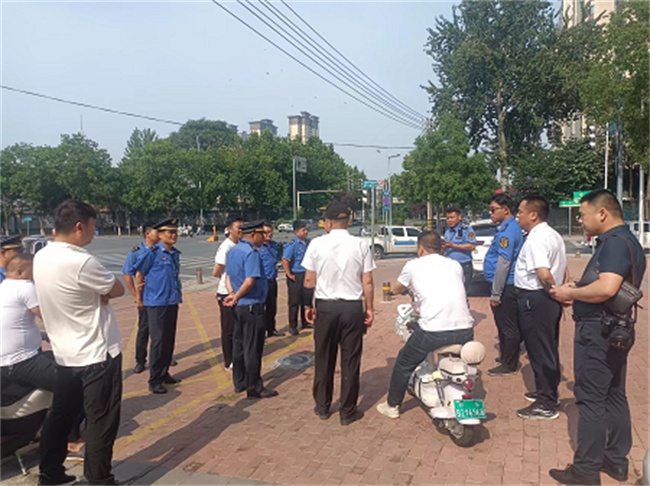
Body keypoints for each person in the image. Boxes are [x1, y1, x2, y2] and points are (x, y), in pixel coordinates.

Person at [549, 190, 646, 485]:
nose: (580, 220)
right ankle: (615, 460)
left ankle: (586, 470)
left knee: (591, 399)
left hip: (598, 332)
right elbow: (608, 285)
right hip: (614, 328)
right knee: (614, 394)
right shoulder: (625, 241)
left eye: (582, 214)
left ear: (602, 213)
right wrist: (581, 288)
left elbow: (606, 288)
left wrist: (570, 292)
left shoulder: (615, 243)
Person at [34, 199, 124, 486]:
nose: (94, 233)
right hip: (96, 354)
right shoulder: (82, 261)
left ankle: (49, 472)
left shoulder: (42, 256)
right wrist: (101, 294)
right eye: (93, 226)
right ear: (78, 227)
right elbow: (117, 289)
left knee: (61, 415)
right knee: (100, 420)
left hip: (64, 354)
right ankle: (99, 479)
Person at [376, 230, 474, 420]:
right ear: (441, 248)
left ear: (420, 249)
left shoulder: (413, 265)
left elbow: (398, 287)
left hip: (433, 331)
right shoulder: (455, 265)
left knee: (404, 362)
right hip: (465, 329)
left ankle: (392, 405)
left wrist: (396, 291)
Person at [302, 201, 375, 426]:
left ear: (329, 222)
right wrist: (369, 308)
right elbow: (367, 281)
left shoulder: (316, 244)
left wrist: (308, 306)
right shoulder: (361, 244)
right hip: (352, 308)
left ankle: (323, 406)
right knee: (350, 360)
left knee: (324, 356)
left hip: (326, 307)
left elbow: (309, 280)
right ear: (347, 221)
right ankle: (347, 411)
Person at [513, 195, 566, 420]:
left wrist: (555, 291)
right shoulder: (553, 235)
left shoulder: (536, 238)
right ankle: (547, 391)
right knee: (547, 347)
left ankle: (546, 402)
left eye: (520, 211)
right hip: (545, 300)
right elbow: (561, 268)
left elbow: (544, 274)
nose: (517, 215)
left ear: (533, 215)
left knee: (539, 350)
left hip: (536, 298)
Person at [224, 220, 278, 399]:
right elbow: (250, 280)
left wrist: (233, 294)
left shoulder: (234, 250)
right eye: (262, 234)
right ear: (253, 235)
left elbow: (229, 276)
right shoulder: (251, 253)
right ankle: (254, 386)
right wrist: (237, 296)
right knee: (252, 347)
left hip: (239, 306)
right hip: (251, 305)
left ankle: (239, 381)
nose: (265, 237)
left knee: (239, 345)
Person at [134, 218, 182, 395]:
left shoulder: (174, 253)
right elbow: (139, 274)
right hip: (155, 302)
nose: (174, 235)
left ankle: (164, 372)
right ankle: (154, 379)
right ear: (160, 235)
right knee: (158, 341)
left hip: (171, 300)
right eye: (170, 232)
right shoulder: (151, 253)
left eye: (175, 232)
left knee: (169, 339)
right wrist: (139, 298)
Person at [484, 194, 525, 376]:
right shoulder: (507, 228)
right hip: (505, 284)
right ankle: (506, 356)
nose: (490, 213)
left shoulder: (508, 231)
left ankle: (510, 364)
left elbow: (504, 263)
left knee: (508, 326)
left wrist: (496, 293)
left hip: (506, 285)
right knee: (503, 325)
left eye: (493, 210)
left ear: (506, 210)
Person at [122, 222, 159, 374]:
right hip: (146, 297)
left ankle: (163, 356)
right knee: (144, 329)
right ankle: (140, 360)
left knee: (161, 330)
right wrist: (135, 295)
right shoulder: (136, 252)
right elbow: (127, 273)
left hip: (160, 297)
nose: (160, 234)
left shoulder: (162, 249)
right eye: (157, 231)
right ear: (147, 233)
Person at [212, 215, 243, 370]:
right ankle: (228, 360)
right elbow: (216, 271)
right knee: (228, 328)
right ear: (230, 229)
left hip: (238, 292)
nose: (241, 230)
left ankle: (237, 355)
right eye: (238, 228)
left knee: (238, 327)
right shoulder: (226, 246)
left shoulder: (240, 244)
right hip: (226, 293)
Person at [282, 220, 310, 335]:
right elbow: (285, 260)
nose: (306, 232)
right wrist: (289, 274)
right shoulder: (293, 244)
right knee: (294, 301)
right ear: (296, 232)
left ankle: (305, 321)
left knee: (306, 299)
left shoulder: (308, 243)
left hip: (306, 274)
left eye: (306, 230)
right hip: (296, 274)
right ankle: (292, 325)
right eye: (303, 230)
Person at [443, 206, 477, 294]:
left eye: (452, 217)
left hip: (463, 264)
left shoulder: (467, 230)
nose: (449, 220)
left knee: (462, 292)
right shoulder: (448, 231)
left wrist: (453, 246)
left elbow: (472, 246)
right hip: (450, 265)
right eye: (447, 218)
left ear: (459, 217)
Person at [260, 222, 284, 338]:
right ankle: (260, 332)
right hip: (261, 281)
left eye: (271, 232)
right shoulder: (258, 247)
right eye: (266, 232)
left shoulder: (274, 245)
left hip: (272, 280)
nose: (269, 234)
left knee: (272, 307)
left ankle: (271, 329)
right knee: (261, 308)